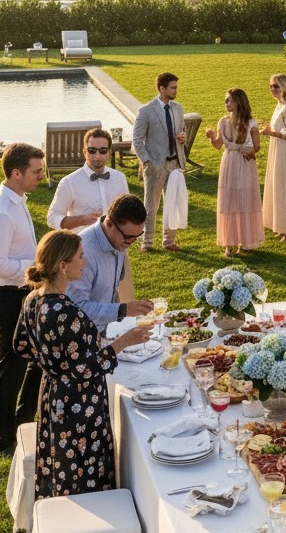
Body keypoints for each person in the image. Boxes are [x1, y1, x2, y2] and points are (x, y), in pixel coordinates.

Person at [15, 230, 152, 498]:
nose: (85, 262)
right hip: (79, 408)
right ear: (62, 266)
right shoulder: (64, 312)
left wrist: (53, 365)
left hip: (53, 397)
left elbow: (21, 345)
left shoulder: (33, 299)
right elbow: (85, 369)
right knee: (83, 473)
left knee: (62, 467)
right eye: (80, 256)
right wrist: (124, 341)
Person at [0, 142, 45, 455]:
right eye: (36, 171)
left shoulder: (17, 199)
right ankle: (5, 440)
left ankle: (23, 421)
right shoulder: (1, 212)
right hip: (9, 298)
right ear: (16, 173)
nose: (41, 177)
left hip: (24, 294)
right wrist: (34, 268)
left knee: (38, 360)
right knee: (11, 369)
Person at [47, 126, 135, 300]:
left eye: (102, 151)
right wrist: (80, 219)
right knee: (86, 304)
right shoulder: (70, 182)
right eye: (92, 150)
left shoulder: (119, 178)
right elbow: (52, 217)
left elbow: (128, 213)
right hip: (84, 256)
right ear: (84, 151)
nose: (97, 156)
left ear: (109, 152)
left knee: (121, 303)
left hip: (116, 252)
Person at [67, 194, 154, 336]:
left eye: (137, 236)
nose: (131, 242)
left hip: (104, 332)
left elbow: (110, 292)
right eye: (128, 237)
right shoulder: (83, 253)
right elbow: (76, 308)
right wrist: (122, 310)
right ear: (109, 223)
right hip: (81, 338)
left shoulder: (117, 241)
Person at [205, 87, 264, 257]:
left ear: (239, 102)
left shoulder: (250, 122)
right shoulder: (222, 122)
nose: (226, 104)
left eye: (229, 100)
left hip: (245, 162)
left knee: (244, 198)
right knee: (228, 200)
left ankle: (244, 241)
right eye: (225, 101)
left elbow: (257, 145)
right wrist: (210, 136)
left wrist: (248, 149)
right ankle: (228, 243)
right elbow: (218, 144)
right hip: (229, 161)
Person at [132, 71, 186, 253]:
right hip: (155, 166)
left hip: (175, 164)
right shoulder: (146, 110)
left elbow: (181, 131)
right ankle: (146, 243)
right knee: (151, 206)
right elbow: (137, 140)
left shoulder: (178, 108)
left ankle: (169, 241)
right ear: (162, 89)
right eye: (173, 88)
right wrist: (147, 162)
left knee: (172, 203)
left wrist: (182, 138)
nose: (176, 91)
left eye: (176, 87)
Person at [259, 74, 286, 243]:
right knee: (276, 186)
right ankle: (281, 225)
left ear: (284, 87)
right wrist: (268, 128)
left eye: (276, 86)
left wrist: (272, 133)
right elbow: (281, 127)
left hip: (285, 150)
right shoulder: (279, 106)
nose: (273, 89)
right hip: (276, 148)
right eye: (271, 86)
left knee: (284, 186)